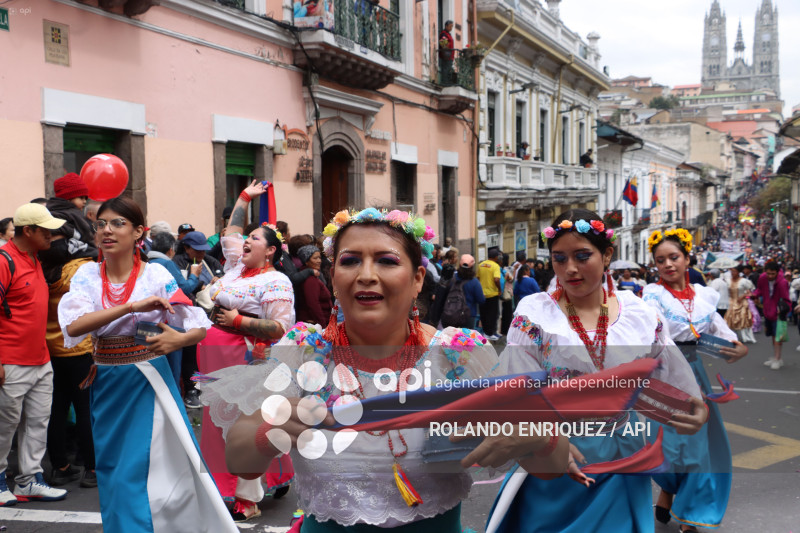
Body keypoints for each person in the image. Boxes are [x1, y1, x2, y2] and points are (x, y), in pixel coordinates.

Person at [198, 207, 565, 531]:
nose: (366, 275)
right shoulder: (304, 353)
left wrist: (538, 438)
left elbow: (549, 467)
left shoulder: (458, 356)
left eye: (386, 261)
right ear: (332, 278)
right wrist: (270, 429)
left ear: (418, 278)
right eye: (350, 260)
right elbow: (241, 461)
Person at [488, 210, 706, 532]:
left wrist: (694, 406)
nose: (570, 269)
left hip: (622, 457)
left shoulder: (639, 314)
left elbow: (671, 371)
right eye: (559, 258)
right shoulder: (535, 314)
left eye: (582, 256)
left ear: (607, 256)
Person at [57, 197, 237, 532]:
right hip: (106, 382)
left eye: (117, 223)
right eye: (101, 224)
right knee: (111, 469)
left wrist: (177, 340)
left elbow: (198, 322)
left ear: (139, 231)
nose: (107, 230)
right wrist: (131, 307)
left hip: (147, 380)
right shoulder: (86, 275)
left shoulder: (155, 274)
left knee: (143, 468)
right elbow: (74, 325)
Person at [198, 180, 296, 521]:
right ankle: (229, 483)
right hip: (214, 356)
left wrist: (239, 320)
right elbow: (231, 231)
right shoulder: (236, 269)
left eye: (254, 239)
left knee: (244, 425)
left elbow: (281, 328)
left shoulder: (276, 281)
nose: (245, 242)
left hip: (247, 357)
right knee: (216, 424)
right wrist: (243, 197)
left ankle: (247, 499)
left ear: (270, 250)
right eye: (247, 238)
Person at [643, 228, 747, 532]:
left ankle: (691, 516)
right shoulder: (653, 296)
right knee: (666, 447)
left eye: (674, 257)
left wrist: (735, 348)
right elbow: (651, 333)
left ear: (687, 259)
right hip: (662, 375)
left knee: (697, 449)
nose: (667, 265)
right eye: (660, 260)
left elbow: (722, 334)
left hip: (695, 376)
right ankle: (667, 491)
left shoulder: (704, 297)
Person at [0, 204, 68, 507]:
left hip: (39, 358)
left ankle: (29, 480)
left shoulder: (33, 258)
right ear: (28, 231)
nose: (52, 235)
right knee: (6, 425)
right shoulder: (4, 261)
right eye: (46, 230)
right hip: (11, 361)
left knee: (38, 422)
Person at [147, 232, 204, 389]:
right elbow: (184, 289)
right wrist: (194, 276)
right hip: (170, 320)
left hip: (150, 323)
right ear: (171, 249)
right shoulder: (166, 264)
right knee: (174, 368)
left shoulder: (146, 263)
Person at [753, 261, 790, 370]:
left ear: (777, 272)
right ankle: (776, 357)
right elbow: (759, 290)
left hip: (778, 312)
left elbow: (786, 299)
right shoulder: (762, 278)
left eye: (773, 274)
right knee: (773, 336)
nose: (770, 276)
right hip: (767, 311)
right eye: (768, 273)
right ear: (765, 271)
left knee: (778, 336)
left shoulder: (783, 282)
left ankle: (778, 359)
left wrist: (783, 310)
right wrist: (754, 294)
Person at [294, 244, 332, 325]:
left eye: (319, 257)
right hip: (313, 323)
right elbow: (313, 305)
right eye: (315, 258)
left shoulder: (316, 275)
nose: (319, 261)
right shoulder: (310, 280)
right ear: (306, 261)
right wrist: (323, 325)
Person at [726, 266, 756, 344]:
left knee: (742, 319)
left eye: (734, 271)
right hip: (731, 302)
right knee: (730, 320)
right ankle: (732, 337)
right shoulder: (728, 281)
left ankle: (743, 337)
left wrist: (743, 296)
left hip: (741, 302)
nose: (733, 273)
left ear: (739, 272)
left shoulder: (744, 281)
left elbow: (751, 292)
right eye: (732, 271)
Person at [478, 248, 502, 340]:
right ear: (496, 257)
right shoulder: (495, 266)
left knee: (483, 314)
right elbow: (496, 279)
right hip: (492, 294)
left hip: (482, 294)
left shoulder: (481, 265)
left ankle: (485, 332)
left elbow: (478, 277)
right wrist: (499, 289)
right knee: (492, 314)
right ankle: (490, 333)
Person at [438, 20, 455, 84]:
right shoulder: (444, 34)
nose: (451, 28)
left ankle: (447, 81)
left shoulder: (448, 34)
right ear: (446, 26)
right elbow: (443, 44)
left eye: (452, 26)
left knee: (448, 69)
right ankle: (445, 82)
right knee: (446, 69)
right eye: (450, 26)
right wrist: (447, 50)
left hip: (449, 56)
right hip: (446, 56)